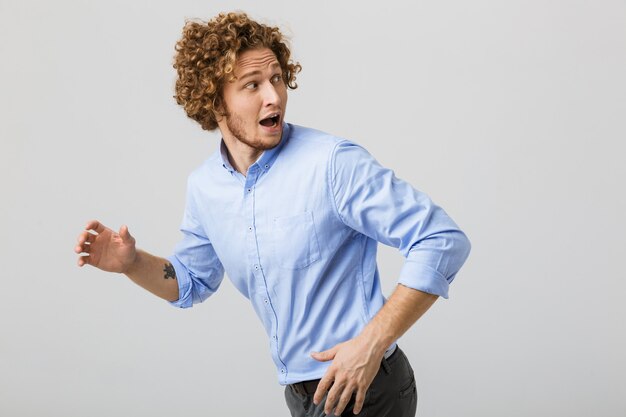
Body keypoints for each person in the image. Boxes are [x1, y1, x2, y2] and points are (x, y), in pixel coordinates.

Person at [74, 12, 471, 417]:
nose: (274, 97)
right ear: (214, 100)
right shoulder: (205, 188)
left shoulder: (331, 163)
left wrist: (370, 344)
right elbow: (191, 281)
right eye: (253, 85)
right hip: (300, 395)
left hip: (364, 388)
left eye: (277, 78)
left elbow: (441, 240)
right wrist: (132, 263)